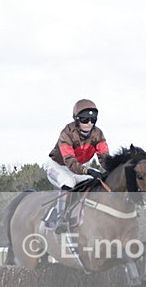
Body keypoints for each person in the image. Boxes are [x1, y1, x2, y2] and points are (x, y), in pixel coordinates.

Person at [46, 99, 110, 233]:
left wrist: (112, 169)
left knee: (98, 181)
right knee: (69, 182)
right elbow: (70, 162)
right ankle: (60, 218)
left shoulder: (98, 134)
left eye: (93, 119)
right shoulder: (67, 132)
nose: (89, 123)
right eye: (85, 119)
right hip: (58, 166)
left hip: (78, 167)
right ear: (76, 119)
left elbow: (105, 158)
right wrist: (87, 170)